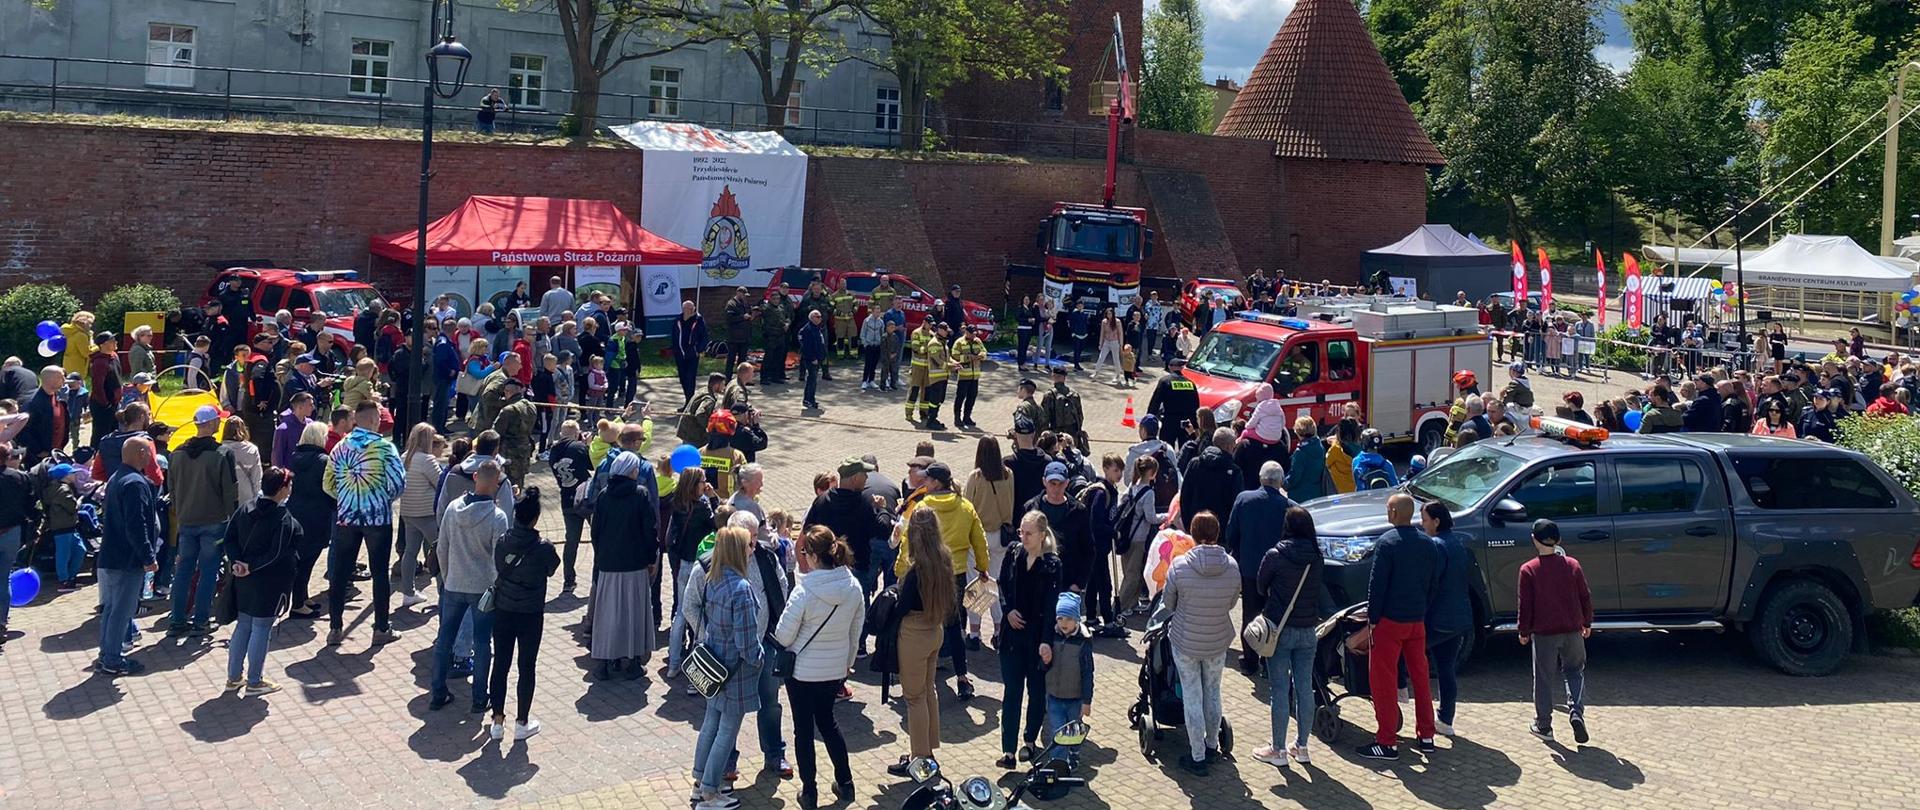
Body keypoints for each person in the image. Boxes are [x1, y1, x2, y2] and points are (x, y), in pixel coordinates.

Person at [773, 526, 865, 809]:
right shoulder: (853, 587)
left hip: (801, 671)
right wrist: (846, 664)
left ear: (813, 556)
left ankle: (810, 791)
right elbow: (855, 631)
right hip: (834, 669)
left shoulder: (804, 591)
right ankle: (846, 783)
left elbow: (784, 636)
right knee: (828, 723)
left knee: (803, 729)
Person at [893, 461, 989, 700]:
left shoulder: (922, 508)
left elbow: (907, 541)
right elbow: (979, 539)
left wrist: (901, 569)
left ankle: (924, 671)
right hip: (954, 574)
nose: (923, 482)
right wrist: (983, 567)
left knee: (924, 621)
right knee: (954, 626)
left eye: (927, 479)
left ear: (936, 482)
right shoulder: (965, 507)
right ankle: (962, 677)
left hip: (925, 573)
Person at [1356, 493, 1440, 761]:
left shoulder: (1387, 543)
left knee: (1383, 681)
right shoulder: (1428, 543)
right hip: (1416, 621)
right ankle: (1427, 735)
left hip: (1389, 622)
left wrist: (1373, 618)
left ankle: (1387, 741)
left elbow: (1377, 584)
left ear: (1393, 512)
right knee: (1421, 678)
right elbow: (1432, 582)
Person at [691, 526, 766, 810]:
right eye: (749, 545)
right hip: (735, 671)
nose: (752, 549)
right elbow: (747, 641)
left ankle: (700, 783)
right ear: (738, 550)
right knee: (727, 730)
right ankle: (710, 793)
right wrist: (760, 659)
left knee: (711, 723)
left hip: (715, 664)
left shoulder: (715, 578)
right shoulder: (741, 589)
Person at [478, 488, 560, 741]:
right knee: (527, 666)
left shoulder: (503, 541)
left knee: (500, 664)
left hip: (503, 609)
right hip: (531, 613)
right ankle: (522, 721)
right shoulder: (543, 547)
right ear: (535, 518)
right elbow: (552, 569)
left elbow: (500, 565)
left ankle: (497, 720)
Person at [1161, 510, 1238, 775]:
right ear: (1217, 533)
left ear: (1193, 534)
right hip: (1217, 640)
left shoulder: (1180, 567)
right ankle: (1211, 744)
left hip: (1186, 641)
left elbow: (1168, 603)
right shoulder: (1232, 566)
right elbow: (1231, 603)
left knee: (1192, 697)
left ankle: (1196, 756)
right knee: (1213, 692)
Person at [325, 401, 407, 648]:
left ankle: (335, 628)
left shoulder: (340, 448)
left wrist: (347, 497)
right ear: (374, 420)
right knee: (380, 573)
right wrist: (380, 498)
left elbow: (327, 483)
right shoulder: (384, 448)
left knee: (340, 573)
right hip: (377, 518)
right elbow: (398, 483)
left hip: (347, 517)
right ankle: (381, 627)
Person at [885, 509, 956, 778]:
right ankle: (928, 750)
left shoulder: (916, 571)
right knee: (928, 692)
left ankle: (919, 758)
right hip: (934, 629)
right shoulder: (944, 559)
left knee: (914, 698)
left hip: (914, 632)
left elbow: (902, 607)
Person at [1250, 507, 1323, 768]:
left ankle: (1278, 749)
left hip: (1279, 630)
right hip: (1308, 630)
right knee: (1305, 689)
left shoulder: (1276, 554)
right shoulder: (1317, 556)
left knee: (1279, 690)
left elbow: (1260, 585)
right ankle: (1302, 746)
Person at [221, 465, 301, 697]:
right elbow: (277, 553)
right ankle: (255, 681)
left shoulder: (245, 508)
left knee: (243, 625)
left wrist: (238, 563)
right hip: (268, 583)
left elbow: (229, 538)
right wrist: (251, 567)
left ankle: (234, 677)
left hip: (242, 580)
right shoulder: (283, 518)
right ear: (282, 489)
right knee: (261, 628)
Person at [995, 510, 1063, 768]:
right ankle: (1008, 752)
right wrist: (1007, 610)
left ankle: (1030, 740)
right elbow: (1001, 586)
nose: (1023, 536)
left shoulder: (1052, 564)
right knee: (1012, 692)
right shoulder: (1013, 553)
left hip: (1036, 639)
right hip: (1012, 637)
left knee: (1036, 692)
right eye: (1021, 531)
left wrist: (1046, 641)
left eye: (1029, 533)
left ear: (1042, 535)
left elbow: (1051, 605)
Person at [166, 405, 239, 637]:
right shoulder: (221, 454)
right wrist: (232, 520)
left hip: (186, 520)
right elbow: (230, 492)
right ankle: (201, 621)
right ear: (210, 424)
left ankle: (177, 620)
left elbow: (172, 490)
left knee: (183, 572)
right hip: (214, 521)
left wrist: (180, 511)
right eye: (217, 420)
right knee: (208, 572)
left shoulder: (176, 453)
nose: (219, 423)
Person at [1519, 519, 1593, 744]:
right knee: (1574, 671)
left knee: (1543, 678)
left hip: (1544, 633)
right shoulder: (1572, 565)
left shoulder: (1528, 569)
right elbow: (1585, 595)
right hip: (1572, 629)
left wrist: (1524, 630)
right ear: (1559, 540)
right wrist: (1587, 622)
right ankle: (1576, 712)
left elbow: (1526, 604)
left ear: (1534, 540)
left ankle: (1544, 725)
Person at [589, 450, 661, 679]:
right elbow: (649, 530)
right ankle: (631, 663)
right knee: (633, 614)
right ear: (631, 471)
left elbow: (595, 531)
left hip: (609, 564)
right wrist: (652, 558)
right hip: (634, 564)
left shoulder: (603, 495)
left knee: (608, 614)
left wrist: (601, 556)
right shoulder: (640, 494)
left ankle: (603, 662)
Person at [97, 437, 161, 675]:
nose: (151, 457)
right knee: (122, 611)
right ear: (141, 453)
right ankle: (112, 659)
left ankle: (106, 654)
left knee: (112, 608)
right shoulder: (135, 483)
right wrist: (148, 557)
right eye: (149, 453)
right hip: (127, 559)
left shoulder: (117, 477)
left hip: (112, 555)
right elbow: (137, 525)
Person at [1227, 461, 1294, 674]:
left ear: (1260, 478)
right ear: (1280, 482)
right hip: (1278, 573)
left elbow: (1231, 534)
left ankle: (1250, 660)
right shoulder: (1289, 507)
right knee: (1273, 616)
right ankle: (1269, 661)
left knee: (1250, 614)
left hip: (1249, 568)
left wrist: (1239, 553)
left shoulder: (1243, 499)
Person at [1423, 501, 1477, 737]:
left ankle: (1413, 710)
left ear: (1436, 521)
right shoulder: (1458, 544)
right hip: (1459, 617)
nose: (1422, 524)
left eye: (1424, 519)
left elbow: (1431, 584)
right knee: (1446, 669)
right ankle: (1446, 718)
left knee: (1409, 661)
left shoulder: (1436, 546)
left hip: (1437, 619)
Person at [962, 437, 1015, 646]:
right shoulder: (1008, 474)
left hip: (979, 538)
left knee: (976, 584)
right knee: (994, 583)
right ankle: (999, 628)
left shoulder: (976, 476)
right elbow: (1011, 501)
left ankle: (974, 633)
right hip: (1001, 536)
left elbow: (967, 507)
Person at [1045, 592, 1096, 770]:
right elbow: (1044, 665)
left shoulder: (1083, 643)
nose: (1063, 623)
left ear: (1076, 620)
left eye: (1068, 619)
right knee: (1058, 731)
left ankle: (1074, 752)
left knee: (1073, 732)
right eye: (1060, 618)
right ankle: (1058, 762)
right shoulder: (1052, 636)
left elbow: (1088, 674)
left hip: (1075, 697)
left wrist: (1086, 701)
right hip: (1054, 695)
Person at [0, 447, 37, 640]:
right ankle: (1, 622)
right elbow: (30, 505)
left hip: (11, 530)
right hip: (11, 532)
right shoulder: (20, 478)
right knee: (4, 577)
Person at [1179, 428, 1240, 529]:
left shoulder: (1194, 463)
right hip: (1221, 531)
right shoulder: (1234, 471)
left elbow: (1185, 496)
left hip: (1195, 526)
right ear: (1229, 446)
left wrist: (1188, 525)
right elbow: (1236, 505)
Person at [1039, 365, 1087, 452]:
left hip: (1055, 434)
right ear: (1065, 377)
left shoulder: (1049, 395)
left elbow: (1044, 418)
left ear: (1053, 376)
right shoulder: (1074, 394)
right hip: (1072, 434)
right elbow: (1080, 416)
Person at [223, 415, 263, 504]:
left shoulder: (219, 450)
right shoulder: (252, 450)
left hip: (225, 498)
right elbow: (257, 479)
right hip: (247, 498)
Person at [799, 308, 828, 410]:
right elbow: (807, 346)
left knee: (813, 380)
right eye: (817, 317)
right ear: (811, 318)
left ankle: (811, 398)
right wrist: (813, 358)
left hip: (818, 358)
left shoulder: (817, 328)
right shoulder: (808, 330)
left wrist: (823, 356)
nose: (820, 318)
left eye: (820, 317)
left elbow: (821, 343)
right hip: (811, 359)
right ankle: (808, 399)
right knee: (811, 380)